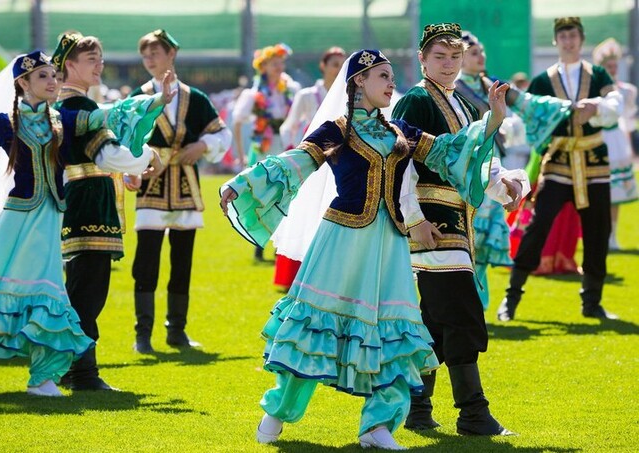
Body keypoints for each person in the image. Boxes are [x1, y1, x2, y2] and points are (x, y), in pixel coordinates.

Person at [220, 49, 510, 449]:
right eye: (383, 77)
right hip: (342, 240)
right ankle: (277, 412)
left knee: (396, 334)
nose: (392, 84)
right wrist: (242, 183)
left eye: (392, 77)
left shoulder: (401, 131)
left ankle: (377, 427)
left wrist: (492, 120)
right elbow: (295, 162)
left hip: (391, 246)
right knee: (314, 328)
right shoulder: (338, 130)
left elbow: (449, 152)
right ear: (358, 81)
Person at [0, 51, 165, 396]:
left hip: (50, 219)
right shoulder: (4, 122)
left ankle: (41, 378)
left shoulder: (64, 121)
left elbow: (107, 129)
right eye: (42, 76)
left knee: (48, 295)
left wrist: (155, 108)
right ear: (22, 83)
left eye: (54, 75)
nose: (52, 81)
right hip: (16, 222)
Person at [391, 23, 547, 436]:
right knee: (460, 312)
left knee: (435, 319)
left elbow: (477, 161)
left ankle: (418, 408)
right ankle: (473, 413)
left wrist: (506, 187)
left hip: (459, 221)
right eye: (439, 57)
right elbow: (399, 162)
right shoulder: (415, 100)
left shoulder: (464, 103)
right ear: (423, 60)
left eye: (455, 57)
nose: (448, 64)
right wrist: (414, 220)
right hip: (430, 218)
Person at [51, 32, 165, 390]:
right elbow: (107, 155)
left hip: (83, 196)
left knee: (84, 285)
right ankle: (82, 373)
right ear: (69, 65)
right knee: (88, 289)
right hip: (88, 201)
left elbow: (103, 158)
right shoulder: (80, 109)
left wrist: (126, 170)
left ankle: (72, 368)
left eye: (100, 58)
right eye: (91, 60)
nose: (99, 65)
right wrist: (148, 157)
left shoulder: (71, 106)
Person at [498, 17, 623, 321]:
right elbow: (528, 116)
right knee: (538, 226)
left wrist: (596, 108)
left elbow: (616, 104)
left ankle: (592, 302)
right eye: (563, 36)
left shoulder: (598, 74)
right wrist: (504, 128)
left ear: (581, 39)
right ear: (556, 41)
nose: (568, 41)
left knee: (598, 231)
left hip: (593, 161)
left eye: (573, 36)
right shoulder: (543, 79)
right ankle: (511, 298)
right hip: (558, 161)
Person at [128, 30, 231, 354]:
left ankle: (177, 331)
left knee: (182, 259)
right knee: (146, 260)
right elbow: (126, 137)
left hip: (185, 186)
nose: (150, 60)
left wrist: (202, 144)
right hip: (152, 184)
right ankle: (142, 333)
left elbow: (222, 133)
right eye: (145, 55)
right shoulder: (139, 97)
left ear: (171, 54)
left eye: (155, 53)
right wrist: (145, 160)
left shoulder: (194, 98)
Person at [454, 31, 571, 310]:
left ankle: (477, 306)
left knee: (480, 246)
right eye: (473, 52)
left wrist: (566, 107)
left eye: (481, 51)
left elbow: (529, 103)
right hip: (466, 171)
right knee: (464, 243)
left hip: (492, 167)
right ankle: (462, 306)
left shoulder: (492, 85)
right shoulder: (454, 90)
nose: (481, 56)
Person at [273, 47, 346, 291]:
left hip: (339, 164)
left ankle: (328, 274)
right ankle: (300, 274)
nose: (338, 69)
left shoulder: (351, 94)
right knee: (307, 213)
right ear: (323, 66)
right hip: (312, 162)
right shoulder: (308, 95)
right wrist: (296, 150)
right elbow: (288, 126)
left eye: (341, 64)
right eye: (334, 63)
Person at [232, 43, 300, 261]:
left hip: (285, 144)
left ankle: (282, 246)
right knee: (262, 194)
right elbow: (237, 121)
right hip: (264, 145)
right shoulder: (254, 95)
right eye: (273, 64)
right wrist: (242, 154)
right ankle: (258, 244)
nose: (279, 67)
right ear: (263, 67)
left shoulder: (290, 89)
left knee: (287, 192)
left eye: (281, 63)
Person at [592, 38, 638, 250]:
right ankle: (599, 233)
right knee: (599, 190)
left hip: (618, 141)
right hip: (602, 139)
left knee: (617, 193)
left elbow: (628, 122)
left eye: (614, 65)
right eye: (608, 66)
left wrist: (629, 149)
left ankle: (613, 235)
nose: (612, 69)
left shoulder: (626, 91)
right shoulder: (595, 88)